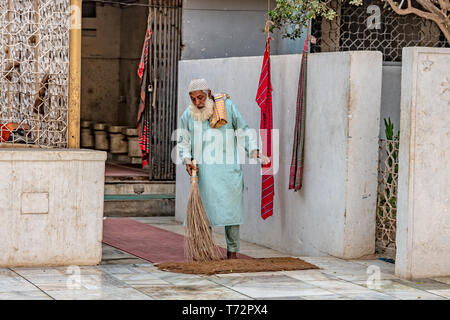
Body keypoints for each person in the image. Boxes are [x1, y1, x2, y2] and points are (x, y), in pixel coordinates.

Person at [177, 78, 269, 259]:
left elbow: (242, 130)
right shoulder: (188, 115)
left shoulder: (226, 107)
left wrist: (254, 151)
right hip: (204, 174)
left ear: (209, 94)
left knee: (231, 214)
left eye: (201, 97)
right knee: (203, 214)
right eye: (193, 99)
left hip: (228, 172)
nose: (198, 102)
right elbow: (183, 142)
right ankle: (205, 251)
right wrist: (187, 159)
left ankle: (232, 252)